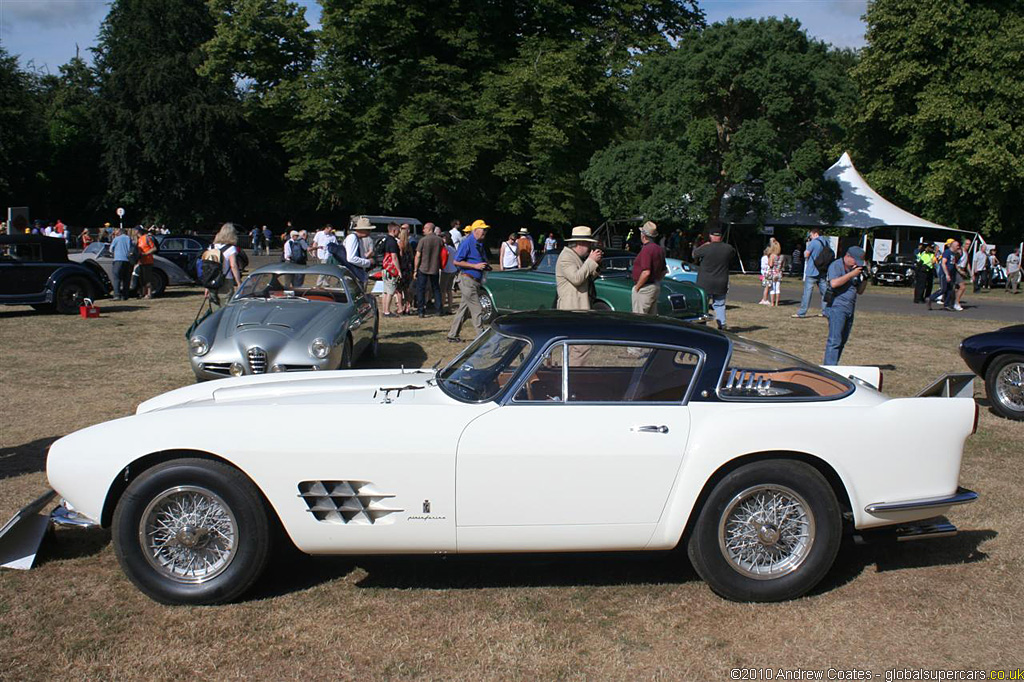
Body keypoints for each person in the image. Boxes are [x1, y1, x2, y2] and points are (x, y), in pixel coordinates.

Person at [822, 246, 869, 365]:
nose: (856, 264)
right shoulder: (836, 265)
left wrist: (865, 279)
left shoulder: (855, 269)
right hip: (836, 307)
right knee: (834, 340)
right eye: (855, 261)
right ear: (848, 256)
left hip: (850, 307)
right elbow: (834, 283)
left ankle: (835, 364)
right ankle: (830, 368)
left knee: (842, 340)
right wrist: (852, 274)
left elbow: (860, 291)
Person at [447, 219, 490, 343]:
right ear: (475, 230)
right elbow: (456, 261)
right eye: (483, 229)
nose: (485, 232)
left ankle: (452, 334)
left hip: (474, 280)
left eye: (486, 229)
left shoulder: (479, 242)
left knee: (464, 310)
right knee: (477, 309)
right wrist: (475, 266)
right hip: (467, 279)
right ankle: (482, 338)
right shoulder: (467, 242)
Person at [693, 228, 735, 330]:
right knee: (720, 304)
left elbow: (694, 254)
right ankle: (722, 323)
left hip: (705, 281)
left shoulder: (706, 248)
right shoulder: (728, 248)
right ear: (720, 237)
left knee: (704, 304)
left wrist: (703, 245)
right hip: (721, 280)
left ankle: (702, 324)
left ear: (711, 236)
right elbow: (732, 256)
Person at [556, 226, 602, 311]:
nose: (590, 247)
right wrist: (590, 260)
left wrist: (596, 264)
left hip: (580, 307)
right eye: (589, 243)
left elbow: (587, 277)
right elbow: (576, 279)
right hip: (571, 309)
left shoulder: (576, 257)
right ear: (580, 243)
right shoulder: (566, 257)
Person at [792, 227, 829, 318]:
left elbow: (806, 254)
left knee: (807, 293)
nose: (810, 237)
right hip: (822, 270)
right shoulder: (826, 242)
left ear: (815, 234)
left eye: (811, 235)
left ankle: (802, 312)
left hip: (812, 270)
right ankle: (826, 311)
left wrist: (806, 252)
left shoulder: (813, 242)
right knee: (825, 292)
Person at [631, 221, 665, 315]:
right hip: (654, 286)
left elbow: (646, 272)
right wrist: (656, 281)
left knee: (639, 318)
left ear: (643, 235)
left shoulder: (646, 249)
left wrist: (637, 287)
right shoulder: (659, 249)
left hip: (644, 288)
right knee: (651, 318)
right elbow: (664, 270)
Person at [413, 223, 444, 317]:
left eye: (425, 228)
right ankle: (439, 309)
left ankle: (421, 310)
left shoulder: (423, 240)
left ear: (430, 229)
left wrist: (415, 269)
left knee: (421, 289)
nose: (423, 230)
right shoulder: (439, 240)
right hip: (435, 267)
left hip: (423, 268)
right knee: (436, 289)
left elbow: (418, 256)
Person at [210, 222, 242, 310]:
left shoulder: (212, 247)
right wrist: (239, 282)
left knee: (215, 307)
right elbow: (233, 265)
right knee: (226, 306)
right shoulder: (231, 249)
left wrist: (206, 286)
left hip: (212, 280)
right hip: (226, 279)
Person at [928, 239, 959, 310]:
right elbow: (943, 263)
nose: (958, 247)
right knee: (943, 289)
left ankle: (947, 305)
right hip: (944, 274)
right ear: (953, 246)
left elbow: (953, 264)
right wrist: (947, 274)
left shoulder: (954, 254)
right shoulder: (947, 252)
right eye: (957, 246)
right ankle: (931, 298)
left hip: (951, 274)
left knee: (950, 289)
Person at [344, 218, 374, 283]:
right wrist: (368, 262)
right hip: (350, 273)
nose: (370, 232)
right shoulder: (352, 238)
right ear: (362, 230)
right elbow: (351, 258)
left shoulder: (359, 239)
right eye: (368, 230)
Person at [110, 227, 132, 300]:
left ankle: (117, 295)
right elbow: (130, 249)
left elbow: (111, 249)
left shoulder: (116, 239)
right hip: (127, 260)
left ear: (119, 231)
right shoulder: (128, 238)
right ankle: (125, 295)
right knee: (126, 279)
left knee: (117, 278)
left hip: (118, 260)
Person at [136, 226, 158, 299]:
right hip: (141, 261)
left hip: (148, 261)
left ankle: (149, 293)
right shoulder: (139, 240)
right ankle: (143, 293)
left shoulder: (147, 238)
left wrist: (146, 253)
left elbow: (154, 248)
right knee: (142, 279)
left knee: (147, 278)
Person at [440, 232, 457, 313]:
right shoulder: (453, 248)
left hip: (446, 270)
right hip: (453, 270)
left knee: (443, 290)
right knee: (449, 290)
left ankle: (442, 306)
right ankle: (450, 307)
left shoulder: (445, 248)